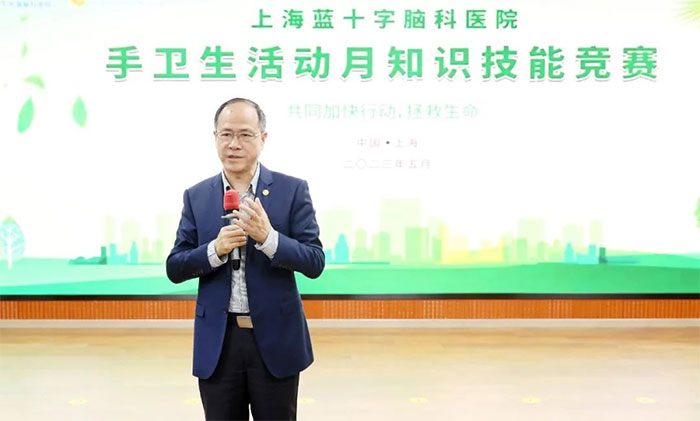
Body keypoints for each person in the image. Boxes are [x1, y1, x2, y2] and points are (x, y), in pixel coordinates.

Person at [166, 97, 325, 420]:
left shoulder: (292, 190)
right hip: (220, 343)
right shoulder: (197, 196)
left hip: (276, 341)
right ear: (215, 138)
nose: (234, 144)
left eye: (244, 134)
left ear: (262, 138)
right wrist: (215, 250)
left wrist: (269, 238)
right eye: (226, 134)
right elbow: (175, 266)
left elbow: (314, 261)